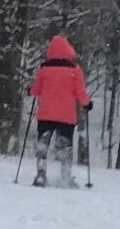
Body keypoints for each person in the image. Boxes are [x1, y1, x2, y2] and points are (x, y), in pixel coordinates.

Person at [29, 34, 91, 188]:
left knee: (43, 145)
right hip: (66, 115)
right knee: (65, 147)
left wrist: (30, 90)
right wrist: (87, 104)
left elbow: (35, 91)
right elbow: (80, 93)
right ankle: (65, 176)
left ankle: (41, 174)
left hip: (45, 114)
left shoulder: (44, 69)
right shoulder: (75, 70)